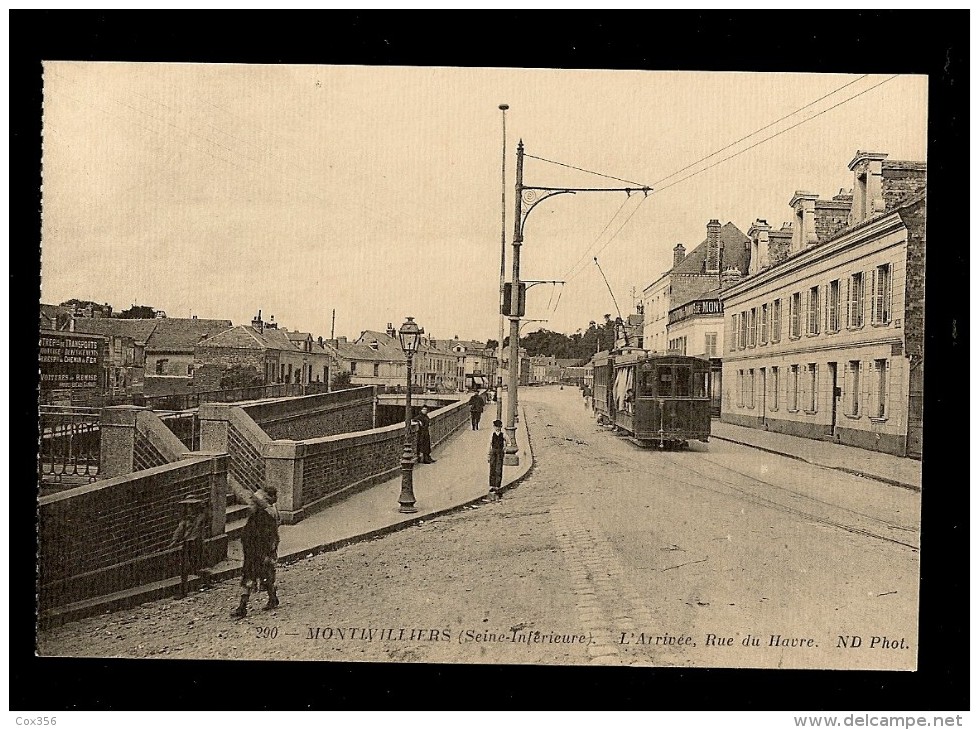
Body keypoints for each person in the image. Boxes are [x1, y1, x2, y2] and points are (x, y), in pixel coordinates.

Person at [233, 486, 281, 618]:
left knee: (260, 577)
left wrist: (267, 553)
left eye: (253, 504)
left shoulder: (265, 517)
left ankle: (244, 606)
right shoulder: (256, 516)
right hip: (253, 552)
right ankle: (270, 599)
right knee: (253, 576)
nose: (250, 506)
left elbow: (270, 537)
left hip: (261, 552)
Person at [169, 499, 211, 589]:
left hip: (197, 543)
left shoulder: (200, 517)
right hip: (187, 544)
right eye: (188, 507)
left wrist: (204, 507)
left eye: (192, 507)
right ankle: (183, 589)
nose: (190, 509)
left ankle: (206, 582)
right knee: (184, 567)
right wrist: (174, 540)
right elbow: (179, 530)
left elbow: (206, 517)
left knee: (199, 564)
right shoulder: (185, 520)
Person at [487, 419, 506, 498]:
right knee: (492, 468)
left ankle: (497, 485)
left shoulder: (503, 435)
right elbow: (489, 445)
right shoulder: (492, 434)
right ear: (494, 427)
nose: (497, 428)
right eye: (496, 427)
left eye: (499, 427)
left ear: (501, 427)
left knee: (498, 468)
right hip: (493, 452)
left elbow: (508, 442)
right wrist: (488, 454)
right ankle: (492, 485)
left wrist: (504, 450)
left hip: (499, 452)